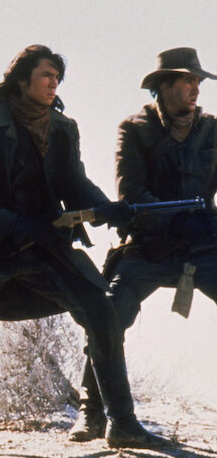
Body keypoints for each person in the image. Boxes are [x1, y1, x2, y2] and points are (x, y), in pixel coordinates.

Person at [0, 44, 171, 450]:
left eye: (57, 78)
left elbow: (73, 183)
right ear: (20, 80)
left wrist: (107, 208)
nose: (53, 84)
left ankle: (122, 423)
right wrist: (18, 225)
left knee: (101, 311)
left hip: (45, 242)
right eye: (46, 75)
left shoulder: (63, 128)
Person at [68, 48, 217, 442]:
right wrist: (176, 220)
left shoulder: (213, 129)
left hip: (205, 247)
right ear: (162, 86)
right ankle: (93, 411)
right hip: (150, 247)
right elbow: (131, 192)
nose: (195, 89)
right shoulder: (135, 129)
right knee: (108, 315)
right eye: (187, 81)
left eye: (198, 82)